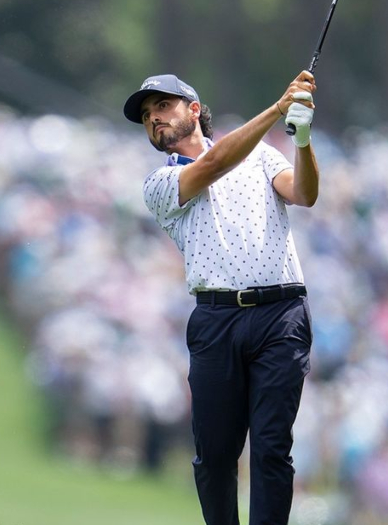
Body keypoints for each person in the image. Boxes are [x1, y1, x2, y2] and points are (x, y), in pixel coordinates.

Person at [123, 70, 320, 525]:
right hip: (216, 321)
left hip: (281, 314)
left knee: (272, 448)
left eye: (163, 108)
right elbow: (213, 166)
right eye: (148, 116)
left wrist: (303, 139)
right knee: (214, 455)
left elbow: (305, 193)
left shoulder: (262, 156)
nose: (155, 119)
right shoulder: (160, 183)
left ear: (194, 109)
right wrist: (277, 108)